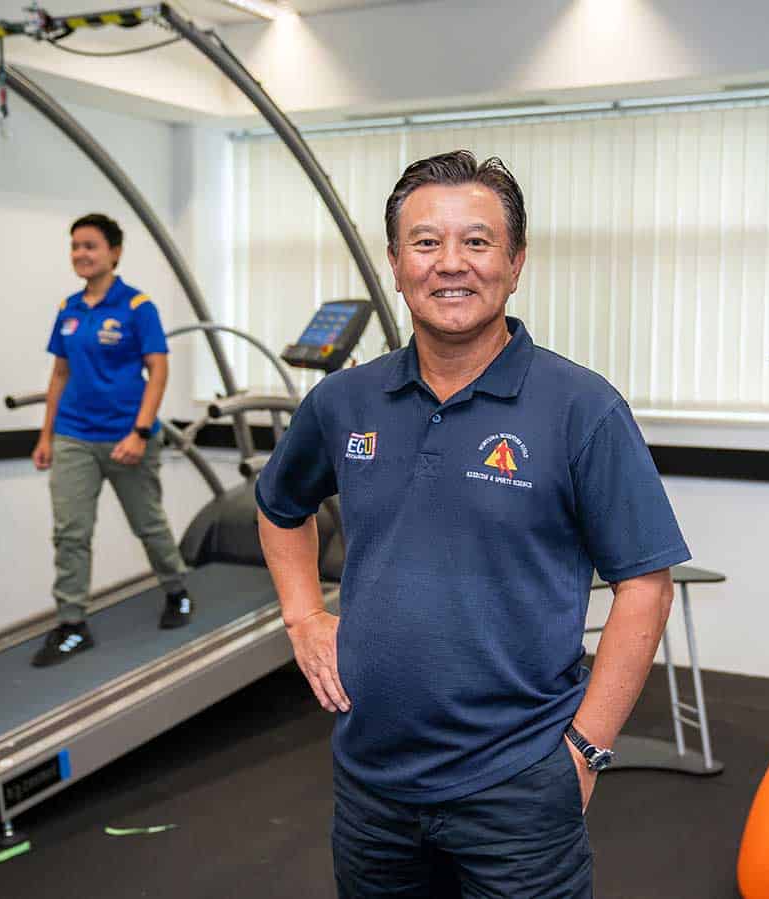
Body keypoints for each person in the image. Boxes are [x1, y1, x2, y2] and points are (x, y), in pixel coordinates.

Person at [255, 150, 690, 897]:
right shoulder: (343, 402)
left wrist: (585, 751)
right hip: (371, 787)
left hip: (519, 787)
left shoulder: (582, 408)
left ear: (515, 263)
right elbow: (280, 506)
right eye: (426, 242)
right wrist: (303, 616)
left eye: (478, 242)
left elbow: (646, 586)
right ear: (395, 264)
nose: (450, 263)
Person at [30, 213, 193, 668]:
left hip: (127, 436)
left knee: (148, 524)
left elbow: (158, 370)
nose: (81, 254)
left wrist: (140, 432)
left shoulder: (138, 306)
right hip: (73, 436)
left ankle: (177, 590)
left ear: (114, 252)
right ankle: (71, 623)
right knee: (70, 533)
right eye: (75, 246)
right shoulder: (68, 309)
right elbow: (59, 374)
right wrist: (46, 436)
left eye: (91, 246)